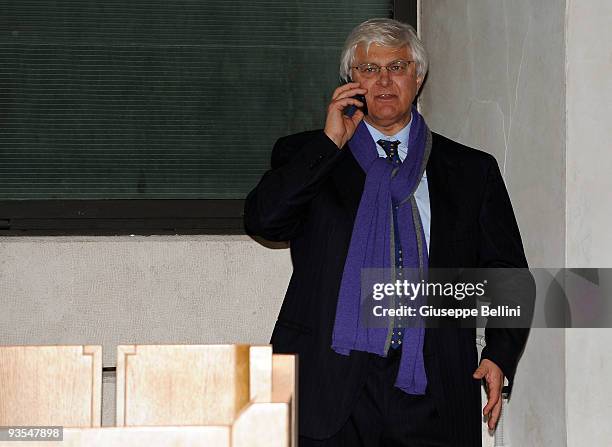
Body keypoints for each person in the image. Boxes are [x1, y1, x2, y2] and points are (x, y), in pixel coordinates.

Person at [245, 18, 532, 447]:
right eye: (368, 69)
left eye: (396, 67)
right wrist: (328, 144)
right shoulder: (309, 154)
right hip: (331, 379)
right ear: (350, 81)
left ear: (418, 78)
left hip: (431, 384)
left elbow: (507, 274)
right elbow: (264, 221)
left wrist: (499, 353)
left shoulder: (471, 171)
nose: (383, 80)